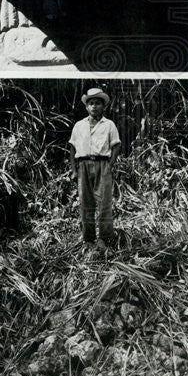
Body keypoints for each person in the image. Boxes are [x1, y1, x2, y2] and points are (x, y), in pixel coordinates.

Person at [68, 87, 122, 256]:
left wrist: (110, 166)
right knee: (86, 203)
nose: (94, 106)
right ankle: (89, 240)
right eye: (91, 103)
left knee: (104, 202)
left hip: (102, 164)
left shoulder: (109, 125)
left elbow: (116, 145)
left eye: (98, 103)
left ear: (103, 106)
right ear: (86, 107)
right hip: (83, 165)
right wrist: (74, 169)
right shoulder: (79, 126)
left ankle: (105, 239)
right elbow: (72, 147)